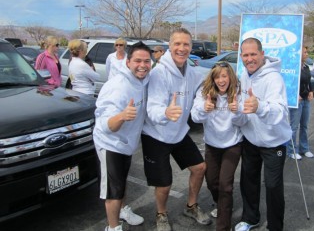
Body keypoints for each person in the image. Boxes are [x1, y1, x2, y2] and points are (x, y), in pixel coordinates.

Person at [142, 28, 211, 231]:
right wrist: (165, 112)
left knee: (199, 168)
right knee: (164, 183)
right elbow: (152, 107)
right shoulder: (158, 73)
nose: (182, 48)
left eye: (186, 44)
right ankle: (161, 214)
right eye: (177, 44)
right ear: (169, 46)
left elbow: (207, 85)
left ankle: (191, 206)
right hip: (156, 134)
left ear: (191, 47)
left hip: (179, 132)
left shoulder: (192, 73)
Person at [93, 42, 152, 231]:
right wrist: (121, 116)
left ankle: (123, 211)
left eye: (147, 61)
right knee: (113, 191)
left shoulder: (143, 79)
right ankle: (113, 227)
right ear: (128, 62)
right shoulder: (117, 86)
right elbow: (104, 124)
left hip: (127, 143)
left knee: (121, 181)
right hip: (110, 144)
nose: (142, 65)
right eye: (137, 61)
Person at [235, 38, 292, 231]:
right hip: (251, 140)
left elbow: (280, 111)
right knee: (248, 181)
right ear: (241, 56)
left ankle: (275, 227)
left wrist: (259, 107)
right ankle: (251, 219)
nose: (249, 59)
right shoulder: (245, 75)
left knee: (273, 186)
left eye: (253, 54)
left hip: (273, 143)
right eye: (245, 55)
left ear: (262, 54)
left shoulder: (273, 78)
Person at [191, 61, 247, 231]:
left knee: (225, 185)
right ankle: (222, 203)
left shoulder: (238, 92)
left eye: (224, 76)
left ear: (230, 76)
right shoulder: (205, 92)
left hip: (233, 144)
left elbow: (244, 121)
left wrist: (237, 111)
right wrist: (203, 109)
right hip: (212, 144)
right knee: (212, 182)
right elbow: (194, 117)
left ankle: (223, 225)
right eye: (217, 77)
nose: (221, 80)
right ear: (212, 79)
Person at [287, 46, 314, 160]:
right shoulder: (292, 68)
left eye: (307, 52)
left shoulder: (306, 67)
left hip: (305, 100)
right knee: (294, 127)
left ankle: (305, 148)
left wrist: (311, 91)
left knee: (304, 125)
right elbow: (288, 83)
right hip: (296, 101)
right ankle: (291, 150)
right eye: (305, 52)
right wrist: (294, 95)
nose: (307, 54)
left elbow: (308, 81)